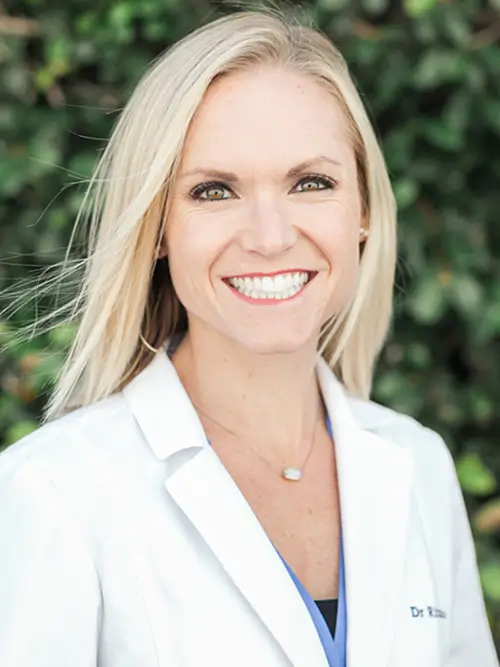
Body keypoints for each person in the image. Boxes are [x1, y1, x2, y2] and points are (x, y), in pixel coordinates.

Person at [0, 8, 497, 667]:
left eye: (311, 182)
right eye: (214, 191)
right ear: (156, 229)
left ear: (365, 212)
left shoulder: (419, 465)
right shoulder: (54, 492)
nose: (269, 235)